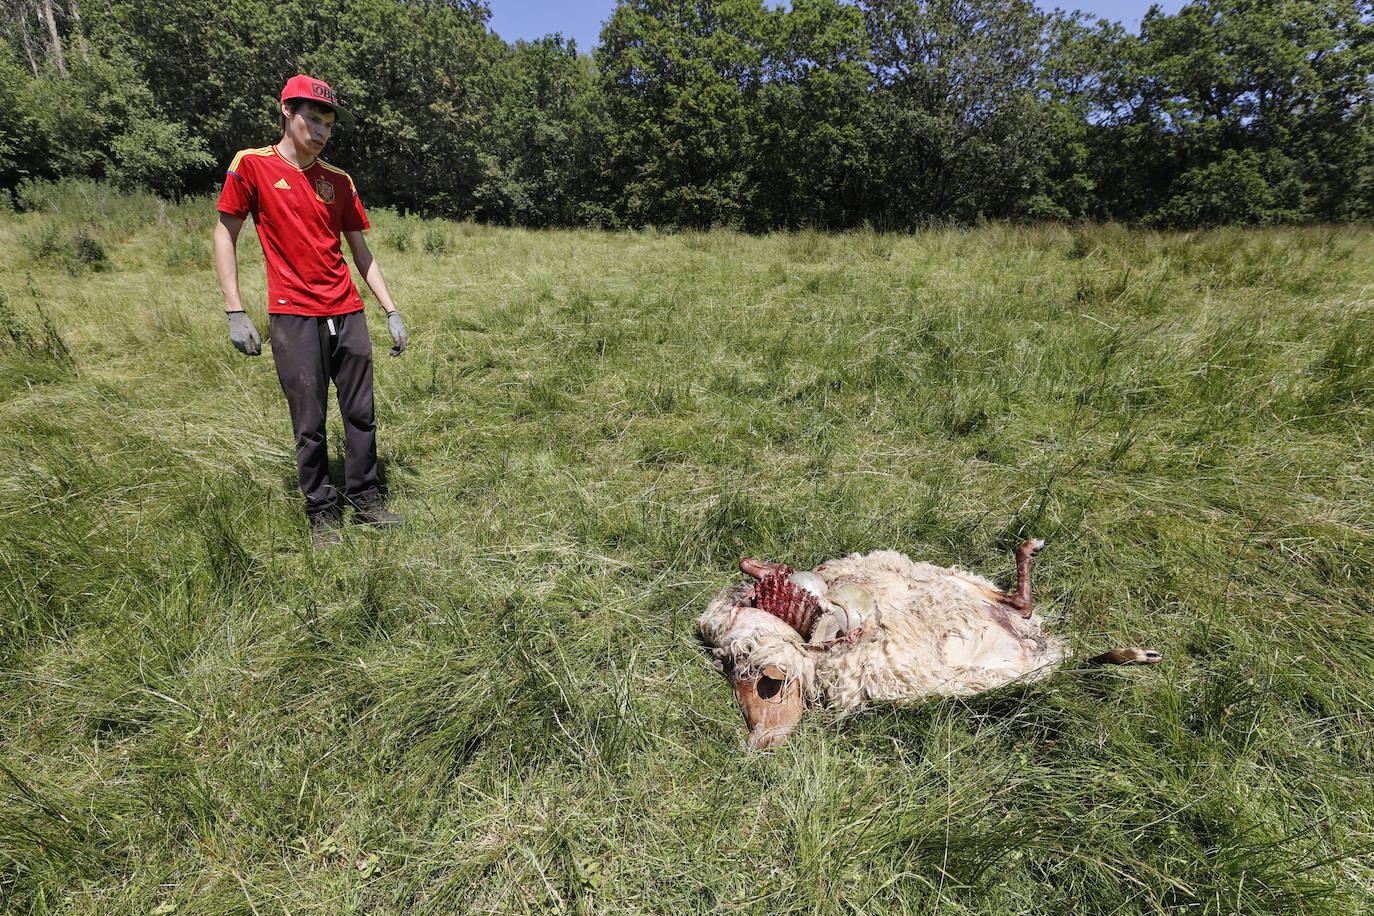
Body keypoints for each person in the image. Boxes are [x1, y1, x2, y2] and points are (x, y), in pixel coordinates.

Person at [213, 74, 408, 547]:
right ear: (287, 112)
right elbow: (225, 233)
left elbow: (359, 249)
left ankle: (365, 499)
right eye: (313, 120)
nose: (321, 131)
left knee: (361, 414)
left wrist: (390, 308)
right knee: (310, 421)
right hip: (293, 313)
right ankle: (321, 512)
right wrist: (234, 311)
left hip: (348, 309)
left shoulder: (338, 181)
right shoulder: (252, 165)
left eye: (328, 124)